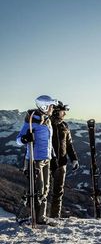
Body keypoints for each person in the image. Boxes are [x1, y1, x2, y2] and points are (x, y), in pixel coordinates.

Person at [16, 95, 58, 225]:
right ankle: (27, 215)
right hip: (35, 160)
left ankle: (41, 217)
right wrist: (25, 139)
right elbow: (18, 139)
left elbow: (49, 142)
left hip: (46, 159)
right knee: (36, 189)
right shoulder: (31, 121)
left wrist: (53, 156)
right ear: (44, 106)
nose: (53, 108)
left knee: (45, 189)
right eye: (51, 106)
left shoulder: (47, 120)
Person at [50, 100, 79, 218]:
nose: (64, 115)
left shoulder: (64, 125)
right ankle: (39, 216)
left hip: (62, 163)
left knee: (58, 191)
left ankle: (54, 217)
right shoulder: (46, 124)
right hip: (47, 162)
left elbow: (69, 144)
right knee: (43, 191)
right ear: (56, 112)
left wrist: (74, 159)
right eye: (63, 112)